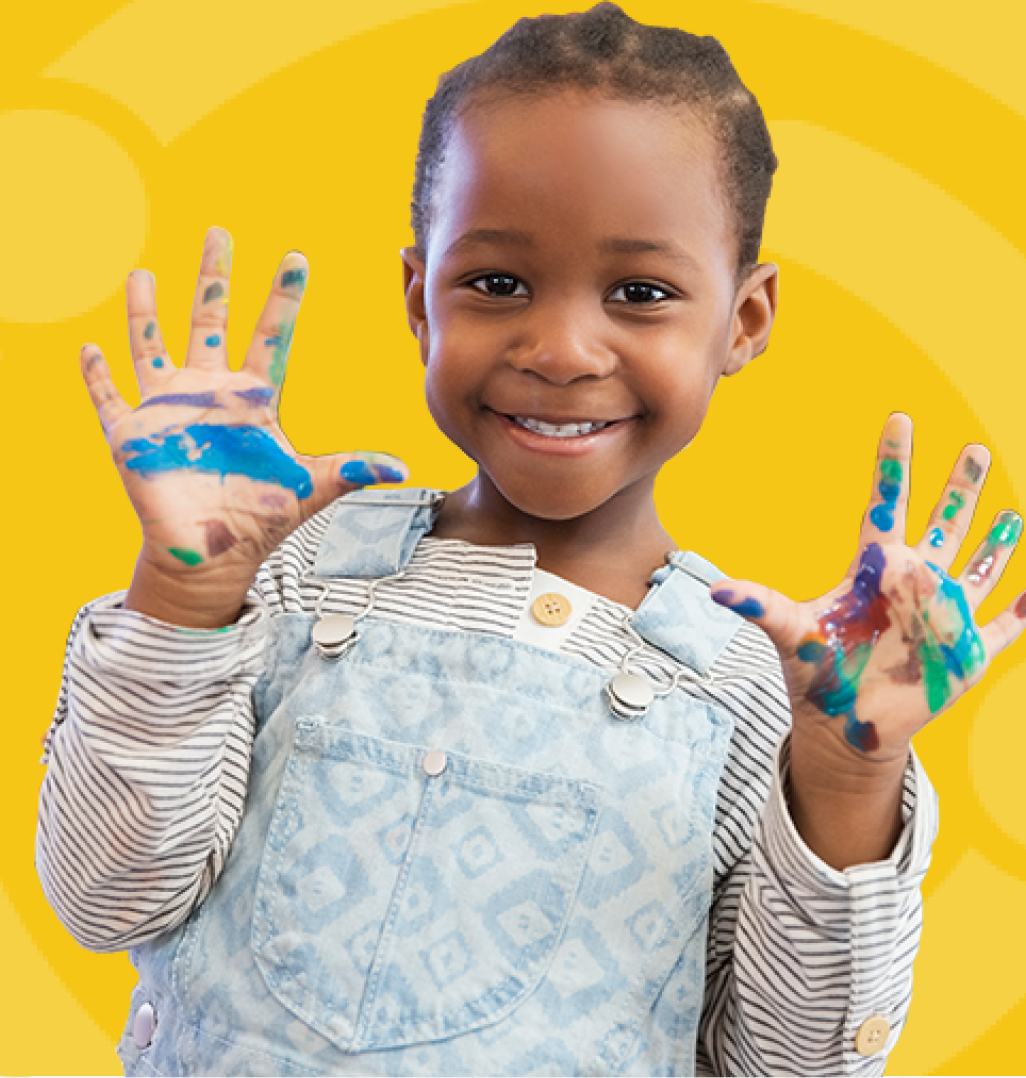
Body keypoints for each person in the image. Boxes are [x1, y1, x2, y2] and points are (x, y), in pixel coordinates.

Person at [35, 5, 1025, 1076]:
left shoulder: (764, 690)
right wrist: (184, 607)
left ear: (742, 320)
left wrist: (842, 781)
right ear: (420, 299)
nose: (559, 348)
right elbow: (105, 895)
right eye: (497, 283)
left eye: (640, 293)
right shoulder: (287, 571)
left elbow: (796, 1066)